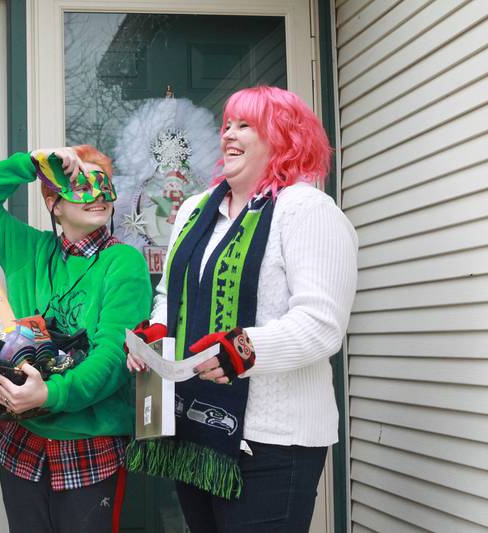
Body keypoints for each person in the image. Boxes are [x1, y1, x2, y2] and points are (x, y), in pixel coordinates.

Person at [126, 86, 358, 532]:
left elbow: (322, 324)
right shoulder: (196, 210)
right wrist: (156, 334)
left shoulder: (307, 211)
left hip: (273, 443)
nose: (229, 134)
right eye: (227, 124)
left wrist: (241, 350)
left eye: (245, 125)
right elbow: (169, 297)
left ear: (284, 137)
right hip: (196, 434)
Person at [0, 146, 151, 533]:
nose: (96, 195)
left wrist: (49, 395)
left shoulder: (124, 263)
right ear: (54, 202)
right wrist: (32, 162)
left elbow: (114, 357)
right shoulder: (28, 249)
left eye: (104, 186)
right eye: (80, 184)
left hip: (88, 444)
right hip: (21, 440)